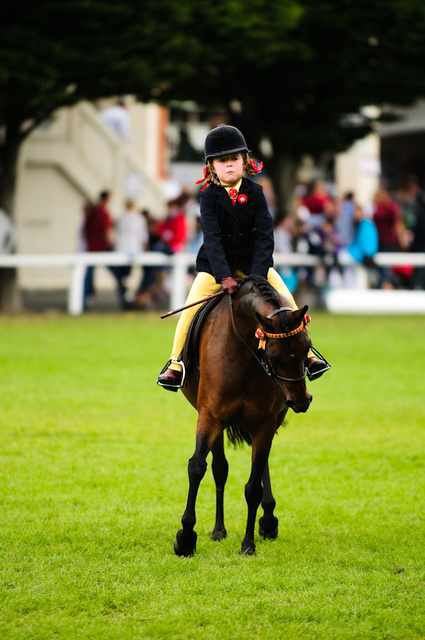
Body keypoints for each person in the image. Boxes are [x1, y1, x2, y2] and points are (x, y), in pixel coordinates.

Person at [157, 124, 330, 390]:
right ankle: (176, 363)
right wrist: (224, 276)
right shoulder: (207, 196)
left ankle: (308, 356)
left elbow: (265, 237)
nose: (229, 165)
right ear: (211, 166)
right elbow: (212, 240)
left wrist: (258, 277)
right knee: (190, 309)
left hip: (255, 266)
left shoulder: (257, 192)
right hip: (215, 268)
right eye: (222, 160)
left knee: (289, 302)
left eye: (234, 159)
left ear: (245, 161)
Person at [82, 190, 127, 309]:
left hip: (91, 249)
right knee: (117, 274)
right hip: (102, 249)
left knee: (88, 276)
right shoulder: (103, 213)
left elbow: (85, 230)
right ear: (107, 199)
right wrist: (111, 244)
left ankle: (83, 301)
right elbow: (106, 231)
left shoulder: (92, 212)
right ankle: (125, 299)